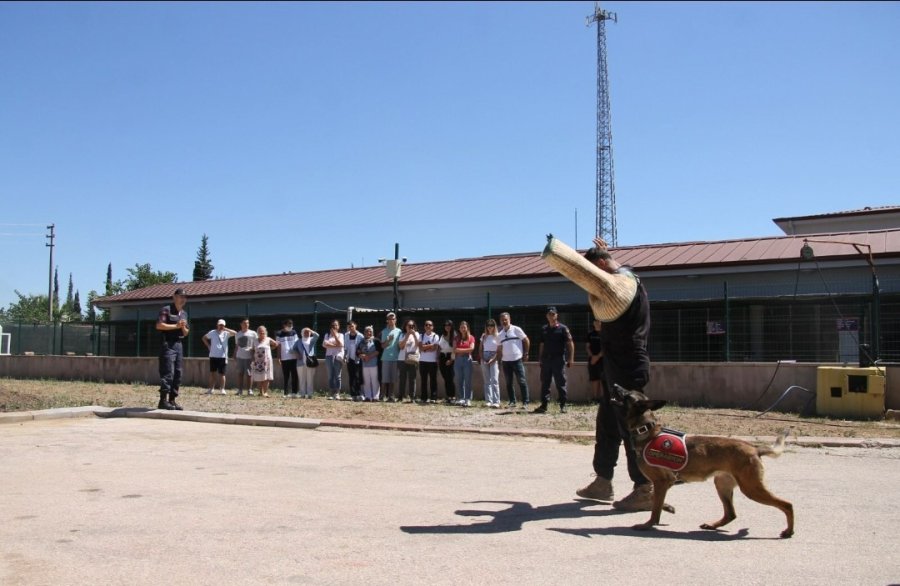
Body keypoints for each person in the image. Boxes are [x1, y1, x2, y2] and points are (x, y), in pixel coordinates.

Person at [575, 238, 661, 512]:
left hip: (628, 364)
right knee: (607, 425)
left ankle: (645, 487)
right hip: (616, 364)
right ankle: (603, 481)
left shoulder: (627, 281)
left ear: (601, 265)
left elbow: (616, 281)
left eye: (594, 273)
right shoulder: (621, 281)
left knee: (631, 429)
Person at [534, 307, 574, 414]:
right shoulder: (544, 329)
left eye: (553, 314)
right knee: (545, 382)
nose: (551, 316)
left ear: (557, 315)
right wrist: (540, 358)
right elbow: (542, 344)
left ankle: (563, 405)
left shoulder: (563, 328)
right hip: (546, 360)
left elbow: (570, 343)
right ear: (546, 316)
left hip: (558, 359)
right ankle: (544, 405)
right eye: (549, 314)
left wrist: (571, 358)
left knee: (560, 382)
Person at [155, 287, 189, 410]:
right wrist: (176, 325)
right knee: (168, 372)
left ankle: (172, 400)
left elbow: (186, 333)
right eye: (180, 296)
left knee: (178, 373)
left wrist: (183, 327)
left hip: (179, 344)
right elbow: (159, 325)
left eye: (184, 297)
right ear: (174, 297)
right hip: (167, 344)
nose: (183, 299)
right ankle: (162, 400)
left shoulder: (184, 314)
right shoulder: (166, 310)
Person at [497, 312, 530, 409]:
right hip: (506, 361)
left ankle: (525, 402)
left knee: (522, 381)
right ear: (500, 321)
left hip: (517, 360)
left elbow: (526, 340)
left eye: (506, 319)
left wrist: (526, 353)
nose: (504, 321)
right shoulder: (500, 334)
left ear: (509, 319)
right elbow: (499, 348)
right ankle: (512, 401)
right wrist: (499, 360)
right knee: (508, 383)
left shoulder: (516, 329)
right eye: (502, 320)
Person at [202, 319, 237, 395]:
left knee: (222, 374)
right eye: (220, 325)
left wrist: (226, 329)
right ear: (217, 325)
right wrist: (208, 346)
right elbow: (204, 338)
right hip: (213, 355)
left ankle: (222, 389)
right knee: (212, 373)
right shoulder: (212, 332)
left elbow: (235, 333)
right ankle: (211, 389)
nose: (221, 326)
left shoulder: (226, 333)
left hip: (222, 356)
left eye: (223, 325)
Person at [453, 321, 476, 407]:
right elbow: (454, 349)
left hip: (467, 360)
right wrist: (465, 350)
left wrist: (460, 350)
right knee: (459, 380)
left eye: (464, 327)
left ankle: (468, 399)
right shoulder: (456, 338)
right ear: (459, 329)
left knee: (468, 380)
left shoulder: (471, 338)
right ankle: (461, 398)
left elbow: (472, 349)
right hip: (458, 360)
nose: (463, 329)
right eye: (461, 327)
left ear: (467, 328)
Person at [275, 319, 301, 397]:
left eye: (291, 325)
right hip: (284, 358)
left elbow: (297, 344)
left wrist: (298, 354)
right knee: (286, 376)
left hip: (294, 357)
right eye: (289, 325)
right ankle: (285, 393)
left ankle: (294, 392)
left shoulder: (294, 332)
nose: (290, 327)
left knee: (294, 375)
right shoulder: (279, 334)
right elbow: (278, 346)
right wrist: (278, 357)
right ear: (284, 325)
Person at [251, 325, 278, 398]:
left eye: (263, 332)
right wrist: (252, 358)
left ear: (265, 332)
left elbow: (276, 344)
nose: (261, 334)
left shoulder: (268, 339)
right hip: (258, 362)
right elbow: (252, 350)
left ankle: (265, 392)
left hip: (267, 362)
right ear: (257, 333)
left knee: (266, 377)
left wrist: (270, 349)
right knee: (259, 377)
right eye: (260, 332)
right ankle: (260, 392)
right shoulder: (255, 341)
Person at [379, 313, 402, 402]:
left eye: (393, 319)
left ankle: (391, 396)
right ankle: (382, 396)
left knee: (393, 378)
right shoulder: (384, 331)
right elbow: (383, 346)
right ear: (387, 320)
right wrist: (388, 340)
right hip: (385, 358)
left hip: (396, 358)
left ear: (395, 320)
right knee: (384, 378)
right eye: (389, 319)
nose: (391, 320)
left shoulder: (399, 331)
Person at [397, 319, 420, 402]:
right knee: (402, 378)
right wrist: (407, 335)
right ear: (405, 326)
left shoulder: (417, 334)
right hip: (402, 359)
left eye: (412, 326)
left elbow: (418, 345)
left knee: (412, 379)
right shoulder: (402, 334)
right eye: (409, 326)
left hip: (412, 359)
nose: (411, 327)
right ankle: (400, 396)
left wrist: (413, 335)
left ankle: (412, 397)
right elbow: (401, 346)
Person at [586, 318, 607, 404]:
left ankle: (603, 398)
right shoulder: (590, 334)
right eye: (595, 321)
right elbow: (587, 346)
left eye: (599, 321)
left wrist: (597, 357)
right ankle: (595, 398)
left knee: (603, 379)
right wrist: (592, 356)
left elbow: (606, 347)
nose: (597, 323)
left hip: (603, 360)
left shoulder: (605, 334)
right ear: (593, 323)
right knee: (594, 379)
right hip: (592, 360)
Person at [418, 320, 440, 403]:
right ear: (424, 326)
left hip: (432, 361)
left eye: (430, 325)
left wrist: (425, 347)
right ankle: (423, 397)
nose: (428, 326)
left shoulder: (436, 336)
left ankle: (433, 397)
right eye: (426, 325)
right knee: (423, 380)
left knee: (433, 380)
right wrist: (430, 345)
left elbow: (435, 348)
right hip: (423, 361)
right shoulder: (421, 336)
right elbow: (420, 348)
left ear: (432, 327)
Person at [234, 318, 257, 396]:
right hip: (240, 356)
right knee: (240, 373)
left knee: (249, 374)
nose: (246, 324)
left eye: (248, 323)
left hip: (249, 357)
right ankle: (240, 390)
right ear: (241, 324)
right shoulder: (238, 334)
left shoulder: (253, 333)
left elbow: (256, 344)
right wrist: (234, 354)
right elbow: (237, 345)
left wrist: (254, 354)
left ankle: (249, 390)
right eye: (244, 323)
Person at [480, 319, 501, 407]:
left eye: (492, 325)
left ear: (494, 326)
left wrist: (494, 358)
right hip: (485, 356)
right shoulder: (484, 336)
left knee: (494, 380)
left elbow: (499, 349)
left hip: (494, 357)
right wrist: (482, 358)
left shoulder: (498, 336)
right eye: (488, 325)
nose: (490, 327)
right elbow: (480, 349)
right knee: (487, 380)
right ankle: (489, 400)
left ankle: (496, 401)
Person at [323, 319, 345, 400]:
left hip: (337, 356)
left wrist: (335, 336)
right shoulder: (327, 335)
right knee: (330, 375)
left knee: (337, 376)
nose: (334, 327)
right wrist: (336, 345)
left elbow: (341, 344)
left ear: (338, 326)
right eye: (333, 325)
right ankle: (331, 392)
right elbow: (324, 345)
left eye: (336, 325)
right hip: (328, 356)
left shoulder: (341, 335)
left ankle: (337, 393)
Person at [357, 326, 380, 401]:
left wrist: (369, 357)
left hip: (374, 364)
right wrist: (361, 355)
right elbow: (357, 352)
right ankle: (368, 396)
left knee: (374, 380)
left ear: (372, 332)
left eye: (370, 331)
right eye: (367, 331)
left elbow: (378, 351)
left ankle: (375, 397)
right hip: (364, 364)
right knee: (366, 381)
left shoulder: (376, 340)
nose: (368, 333)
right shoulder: (361, 341)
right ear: (364, 333)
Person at [296, 327, 319, 399]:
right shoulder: (299, 341)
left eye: (308, 332)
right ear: (302, 333)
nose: (307, 333)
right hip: (300, 363)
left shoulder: (312, 340)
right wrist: (297, 354)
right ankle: (302, 393)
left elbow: (317, 336)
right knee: (302, 378)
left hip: (310, 362)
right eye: (305, 332)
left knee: (310, 378)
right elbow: (292, 349)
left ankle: (310, 394)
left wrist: (311, 330)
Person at [344, 321, 364, 402]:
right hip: (349, 359)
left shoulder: (360, 336)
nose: (351, 328)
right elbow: (345, 347)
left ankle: (359, 394)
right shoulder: (346, 335)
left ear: (355, 326)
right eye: (349, 326)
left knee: (357, 377)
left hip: (358, 359)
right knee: (351, 377)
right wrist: (345, 356)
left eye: (352, 326)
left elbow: (362, 347)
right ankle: (353, 395)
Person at [438, 320, 456, 404]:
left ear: (452, 326)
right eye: (446, 325)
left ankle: (452, 396)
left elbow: (455, 349)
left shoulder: (455, 335)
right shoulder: (442, 335)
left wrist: (451, 359)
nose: (447, 327)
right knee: (445, 378)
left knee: (450, 377)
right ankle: (448, 396)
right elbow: (440, 347)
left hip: (450, 357)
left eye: (449, 325)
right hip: (442, 357)